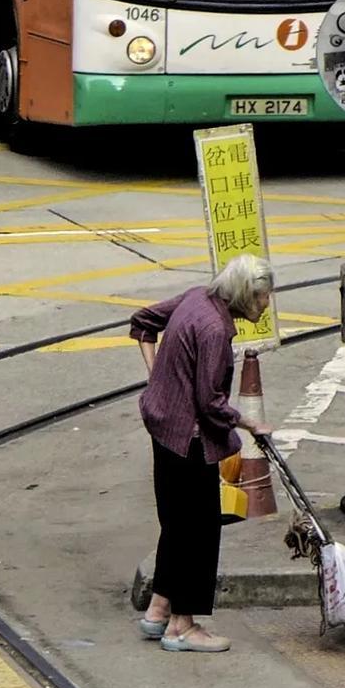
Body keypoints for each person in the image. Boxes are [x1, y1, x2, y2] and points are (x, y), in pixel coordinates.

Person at [130, 254, 274, 653]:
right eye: (262, 297)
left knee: (177, 522)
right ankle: (182, 626)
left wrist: (157, 376)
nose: (266, 305)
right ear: (245, 295)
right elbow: (210, 403)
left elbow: (143, 322)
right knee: (199, 528)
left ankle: (158, 609)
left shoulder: (196, 298)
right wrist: (250, 423)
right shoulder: (214, 330)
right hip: (189, 437)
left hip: (163, 426)